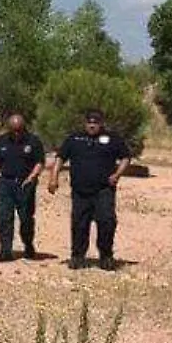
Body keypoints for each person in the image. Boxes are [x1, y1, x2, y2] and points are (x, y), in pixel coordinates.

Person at [48, 109, 133, 271]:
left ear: (101, 123)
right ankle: (78, 256)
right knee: (79, 223)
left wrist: (117, 174)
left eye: (95, 123)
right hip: (80, 191)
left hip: (104, 190)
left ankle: (106, 256)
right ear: (85, 123)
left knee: (107, 222)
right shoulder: (74, 139)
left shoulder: (112, 139)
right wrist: (53, 178)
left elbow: (126, 157)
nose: (92, 125)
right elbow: (60, 158)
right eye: (89, 122)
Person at [0, 113, 45, 262]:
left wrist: (31, 177)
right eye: (13, 130)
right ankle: (5, 251)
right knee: (4, 218)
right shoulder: (2, 141)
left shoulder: (33, 141)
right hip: (5, 183)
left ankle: (28, 245)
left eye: (19, 130)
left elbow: (39, 163)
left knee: (26, 218)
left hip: (25, 184)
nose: (17, 133)